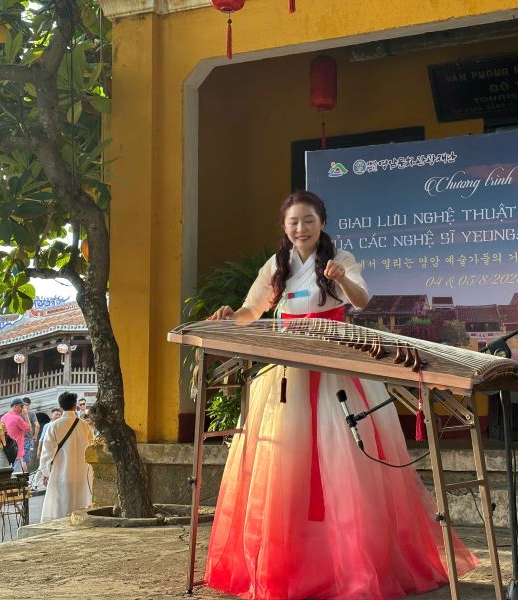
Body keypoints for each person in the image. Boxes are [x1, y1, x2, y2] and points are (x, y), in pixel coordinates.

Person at [204, 191, 478, 599]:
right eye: (294, 222)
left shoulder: (339, 259)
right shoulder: (276, 266)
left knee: (346, 463)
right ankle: (290, 565)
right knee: (285, 464)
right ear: (285, 226)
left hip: (337, 371)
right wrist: (231, 316)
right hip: (290, 373)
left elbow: (362, 300)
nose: (301, 228)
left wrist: (341, 278)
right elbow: (252, 310)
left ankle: (354, 567)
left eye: (309, 220)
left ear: (322, 222)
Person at [40, 392, 94, 523]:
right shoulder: (84, 425)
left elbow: (47, 451)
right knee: (81, 504)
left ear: (60, 406)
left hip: (61, 473)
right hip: (82, 473)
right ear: (75, 405)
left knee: (61, 508)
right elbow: (92, 447)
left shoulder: (54, 425)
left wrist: (45, 472)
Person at [0, 398, 31, 472]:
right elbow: (29, 429)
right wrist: (26, 415)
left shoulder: (3, 417)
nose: (22, 408)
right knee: (17, 475)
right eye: (21, 406)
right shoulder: (17, 418)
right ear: (16, 406)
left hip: (5, 450)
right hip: (16, 450)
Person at [20, 397, 39, 472]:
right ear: (29, 405)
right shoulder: (31, 413)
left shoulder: (17, 413)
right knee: (25, 460)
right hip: (27, 439)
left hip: (17, 439)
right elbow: (37, 425)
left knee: (20, 460)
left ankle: (22, 478)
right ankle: (25, 479)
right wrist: (35, 436)